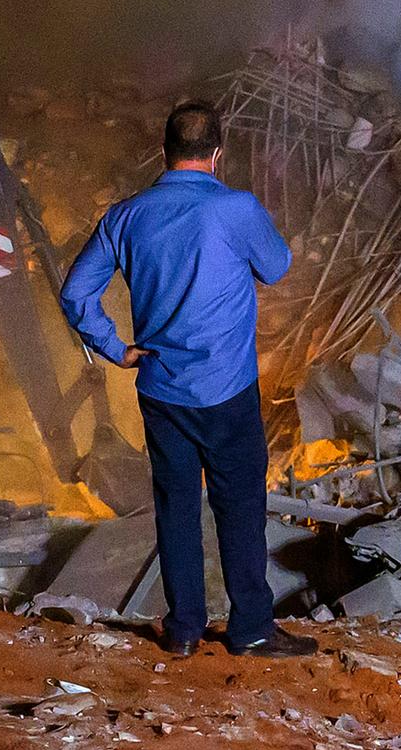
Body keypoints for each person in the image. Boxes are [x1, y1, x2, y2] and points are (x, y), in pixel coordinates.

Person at [58, 100, 315, 658]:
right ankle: (250, 627)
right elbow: (276, 266)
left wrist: (116, 349)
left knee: (176, 504)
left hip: (160, 390)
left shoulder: (124, 216)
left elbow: (76, 294)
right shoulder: (235, 208)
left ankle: (183, 630)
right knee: (240, 503)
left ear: (165, 152)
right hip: (226, 390)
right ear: (217, 155)